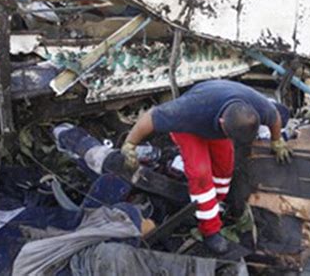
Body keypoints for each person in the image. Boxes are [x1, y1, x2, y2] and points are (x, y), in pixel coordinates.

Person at [121, 80, 291, 253]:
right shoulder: (187, 110)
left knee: (224, 168)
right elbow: (150, 117)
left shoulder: (257, 107)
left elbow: (274, 117)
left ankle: (215, 203)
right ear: (223, 121)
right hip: (190, 128)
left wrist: (277, 141)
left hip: (217, 111)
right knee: (201, 175)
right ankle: (210, 230)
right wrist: (130, 144)